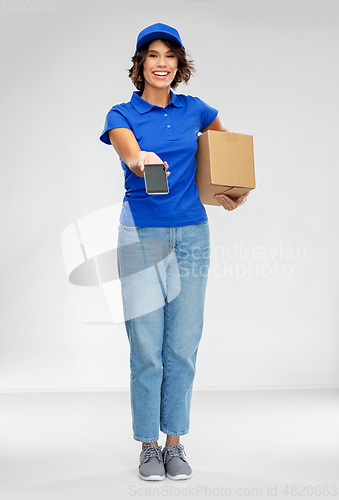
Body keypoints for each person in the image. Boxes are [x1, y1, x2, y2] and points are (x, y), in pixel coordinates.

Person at [100, 23, 249, 481]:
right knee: (146, 348)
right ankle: (147, 445)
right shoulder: (122, 113)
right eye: (152, 55)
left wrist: (229, 190)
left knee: (182, 346)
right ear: (140, 64)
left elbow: (226, 151)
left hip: (192, 234)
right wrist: (139, 158)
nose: (161, 63)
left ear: (179, 65)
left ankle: (174, 443)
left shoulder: (196, 109)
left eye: (170, 55)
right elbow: (127, 151)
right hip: (141, 234)